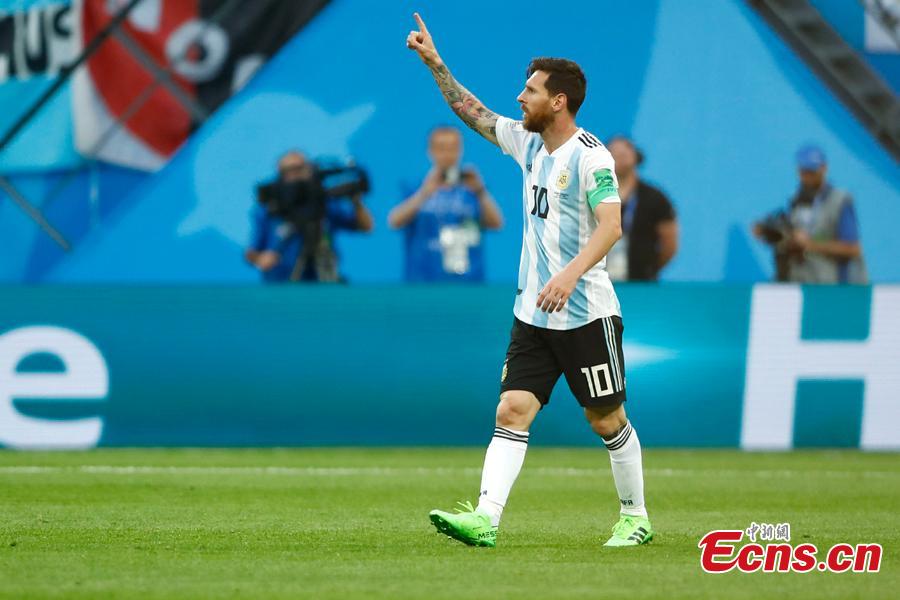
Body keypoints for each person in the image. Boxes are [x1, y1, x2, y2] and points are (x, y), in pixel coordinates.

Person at [407, 13, 653, 548]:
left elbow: (611, 226)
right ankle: (486, 519)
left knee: (606, 420)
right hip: (534, 313)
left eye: (531, 90)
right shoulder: (528, 142)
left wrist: (568, 275)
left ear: (558, 101)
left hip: (585, 313)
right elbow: (472, 111)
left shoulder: (591, 158)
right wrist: (435, 64)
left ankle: (635, 517)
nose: (520, 97)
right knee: (512, 410)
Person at [389, 126, 504, 282]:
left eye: (453, 148)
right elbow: (394, 221)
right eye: (441, 148)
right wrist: (424, 193)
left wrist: (480, 191)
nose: (447, 155)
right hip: (423, 281)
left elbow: (496, 224)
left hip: (469, 281)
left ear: (461, 150)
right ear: (430, 151)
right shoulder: (415, 186)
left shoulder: (472, 187)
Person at [245, 151, 374, 283]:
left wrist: (356, 202)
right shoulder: (269, 209)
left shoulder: (325, 204)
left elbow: (366, 226)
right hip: (280, 285)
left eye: (300, 168)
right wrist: (260, 259)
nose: (296, 174)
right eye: (289, 170)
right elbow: (251, 253)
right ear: (280, 174)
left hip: (321, 283)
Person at [752, 145, 866, 283]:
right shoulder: (797, 201)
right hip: (796, 281)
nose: (807, 176)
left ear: (824, 168)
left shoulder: (839, 201)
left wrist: (810, 244)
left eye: (812, 171)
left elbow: (853, 248)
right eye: (803, 171)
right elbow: (791, 237)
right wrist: (771, 235)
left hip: (828, 286)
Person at [605, 136, 678, 281]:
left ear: (636, 156)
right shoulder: (595, 196)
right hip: (602, 280)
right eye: (615, 153)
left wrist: (649, 268)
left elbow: (669, 243)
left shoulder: (655, 198)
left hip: (642, 281)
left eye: (625, 152)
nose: (620, 156)